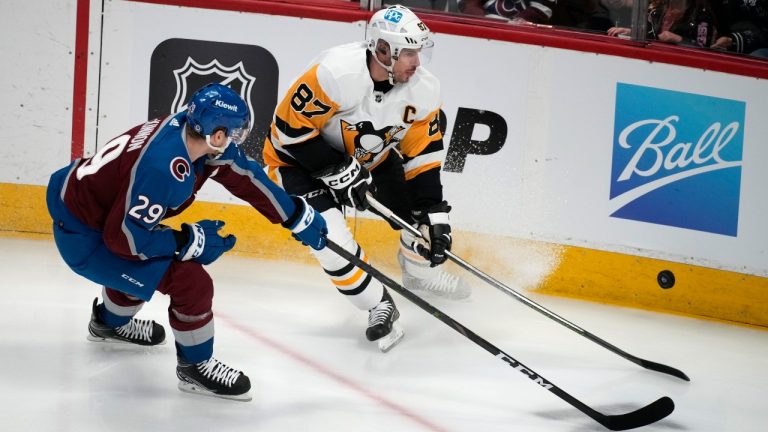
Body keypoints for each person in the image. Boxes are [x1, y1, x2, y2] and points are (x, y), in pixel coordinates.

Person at [46, 83, 328, 401]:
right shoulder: (163, 167)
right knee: (190, 281)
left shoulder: (188, 133)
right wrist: (187, 239)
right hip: (85, 237)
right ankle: (196, 368)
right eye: (234, 133)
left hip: (90, 211)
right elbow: (123, 240)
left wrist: (295, 215)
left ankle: (107, 324)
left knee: (147, 264)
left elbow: (244, 174)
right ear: (216, 135)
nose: (236, 140)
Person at [262, 4, 471, 353]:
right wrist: (336, 169)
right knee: (328, 240)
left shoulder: (424, 89)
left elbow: (423, 155)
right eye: (408, 53)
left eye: (419, 51)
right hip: (296, 164)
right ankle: (379, 303)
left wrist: (434, 212)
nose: (417, 62)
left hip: (369, 162)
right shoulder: (334, 74)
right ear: (383, 50)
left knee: (419, 219)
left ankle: (420, 273)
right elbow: (288, 133)